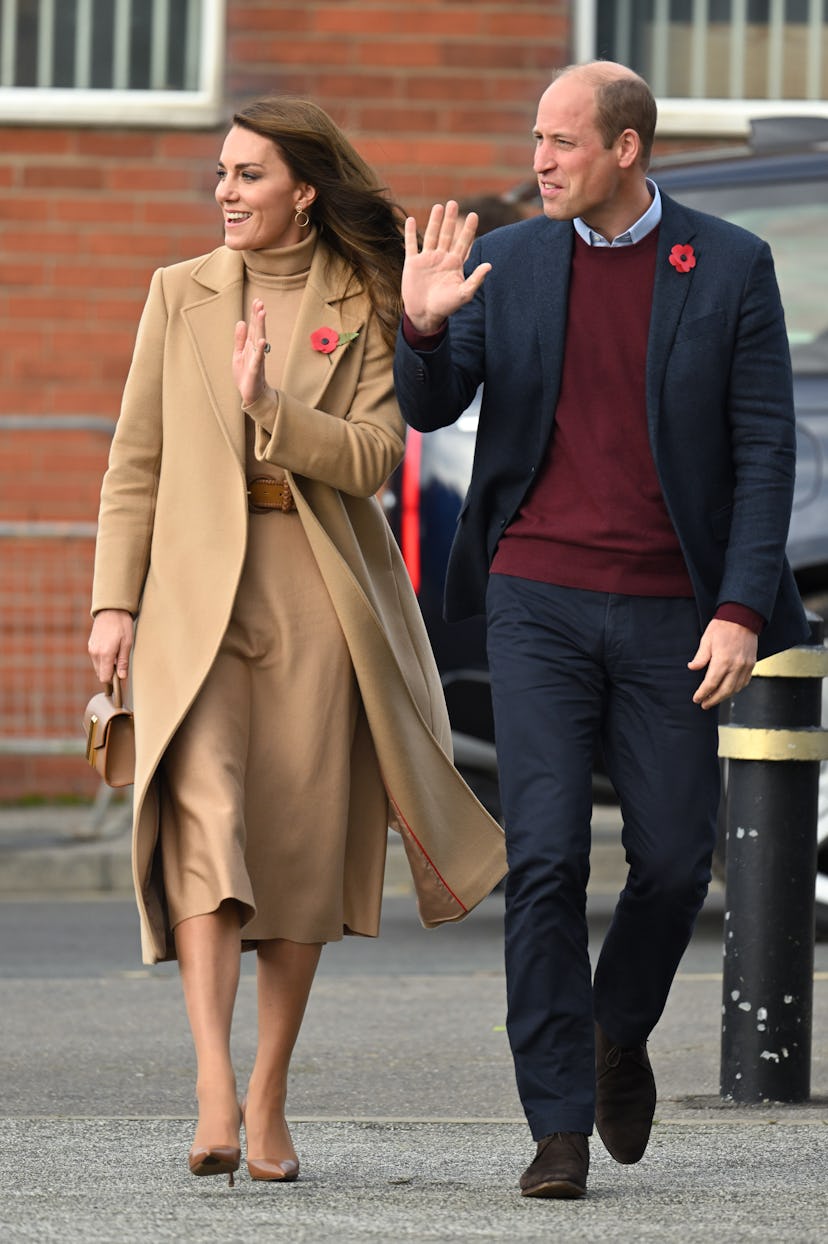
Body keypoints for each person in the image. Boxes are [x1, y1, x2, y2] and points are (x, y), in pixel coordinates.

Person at [394, 62, 808, 1199]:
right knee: (544, 857)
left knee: (675, 860)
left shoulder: (729, 265)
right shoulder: (514, 260)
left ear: (627, 150)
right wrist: (423, 330)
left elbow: (768, 450)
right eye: (537, 138)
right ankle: (559, 1122)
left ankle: (617, 1030)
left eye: (563, 143)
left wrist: (737, 607)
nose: (540, 160)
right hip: (536, 596)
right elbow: (430, 403)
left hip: (673, 608)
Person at [87, 97, 505, 1188]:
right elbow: (136, 459)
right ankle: (214, 1088)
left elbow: (372, 458)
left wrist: (271, 401)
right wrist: (110, 603)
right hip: (192, 599)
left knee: (302, 846)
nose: (224, 191)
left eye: (248, 174)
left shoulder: (362, 298)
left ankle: (269, 1089)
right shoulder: (177, 294)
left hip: (318, 593)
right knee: (204, 821)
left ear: (303, 190)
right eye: (220, 173)